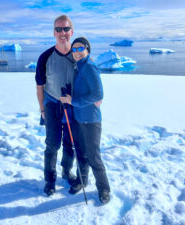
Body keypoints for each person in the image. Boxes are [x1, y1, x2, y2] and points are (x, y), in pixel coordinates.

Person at [60, 37, 111, 204]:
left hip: (91, 120)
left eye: (80, 48)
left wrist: (72, 101)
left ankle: (103, 189)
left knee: (93, 157)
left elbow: (98, 94)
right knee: (81, 153)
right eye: (73, 49)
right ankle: (82, 181)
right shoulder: (78, 67)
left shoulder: (89, 66)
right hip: (78, 119)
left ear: (87, 50)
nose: (77, 52)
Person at [35, 15, 77, 196]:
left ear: (71, 31)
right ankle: (49, 180)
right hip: (51, 105)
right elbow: (39, 87)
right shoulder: (45, 57)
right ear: (54, 32)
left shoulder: (79, 56)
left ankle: (67, 172)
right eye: (58, 29)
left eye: (66, 29)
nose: (62, 33)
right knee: (52, 144)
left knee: (70, 143)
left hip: (72, 107)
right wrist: (43, 110)